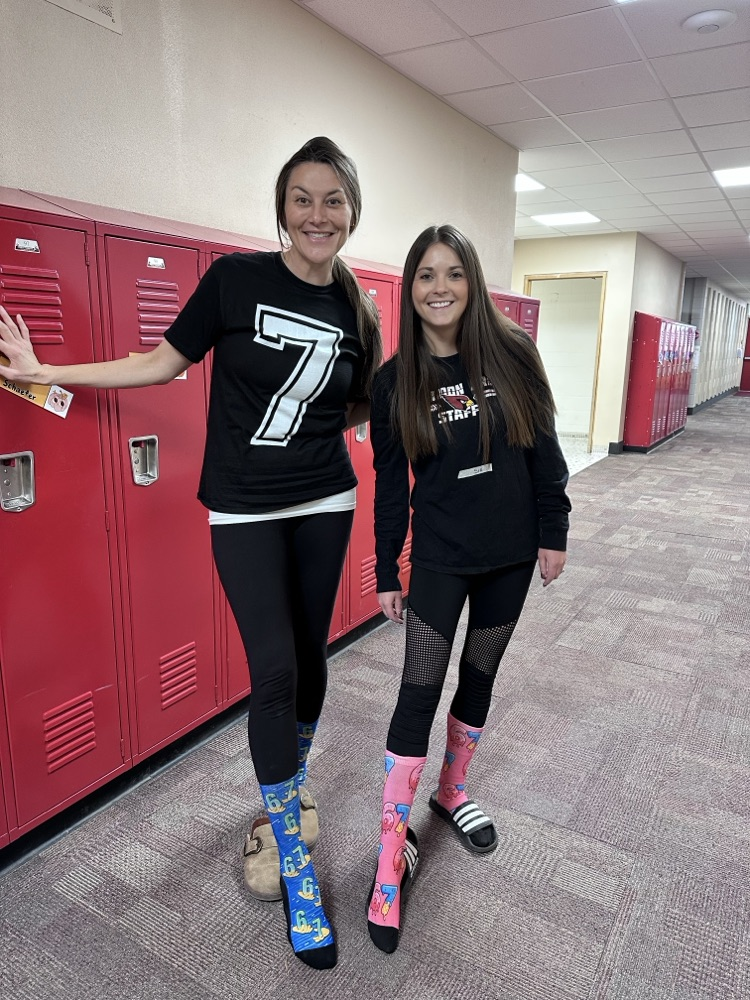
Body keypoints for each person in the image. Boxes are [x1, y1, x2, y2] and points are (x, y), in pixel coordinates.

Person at [0, 137, 382, 970]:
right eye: (303, 198)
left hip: (326, 501)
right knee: (274, 670)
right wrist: (43, 370)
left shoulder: (360, 308)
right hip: (244, 509)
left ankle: (289, 790)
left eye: (334, 200)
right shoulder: (234, 281)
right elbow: (156, 363)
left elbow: (359, 404)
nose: (318, 215)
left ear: (353, 211)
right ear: (282, 207)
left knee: (311, 659)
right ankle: (294, 860)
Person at [366, 224, 571, 954]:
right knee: (417, 691)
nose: (440, 287)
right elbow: (390, 484)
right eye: (426, 275)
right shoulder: (395, 381)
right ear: (411, 288)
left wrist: (554, 528)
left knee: (479, 675)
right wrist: (386, 566)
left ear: (472, 281)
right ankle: (390, 856)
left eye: (453, 273)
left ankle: (451, 792)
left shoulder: (513, 353)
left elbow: (544, 447)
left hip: (510, 555)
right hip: (442, 558)